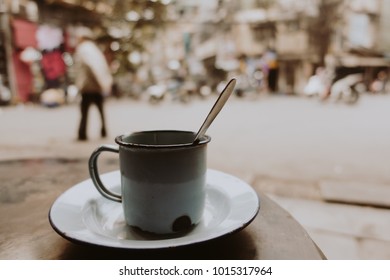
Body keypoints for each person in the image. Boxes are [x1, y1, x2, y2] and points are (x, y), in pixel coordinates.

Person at [74, 27, 113, 141]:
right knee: (100, 110)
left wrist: (101, 82)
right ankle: (103, 131)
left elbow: (93, 67)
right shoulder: (95, 49)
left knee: (84, 111)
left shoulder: (84, 49)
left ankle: (82, 133)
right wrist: (105, 82)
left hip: (89, 86)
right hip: (96, 86)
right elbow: (103, 67)